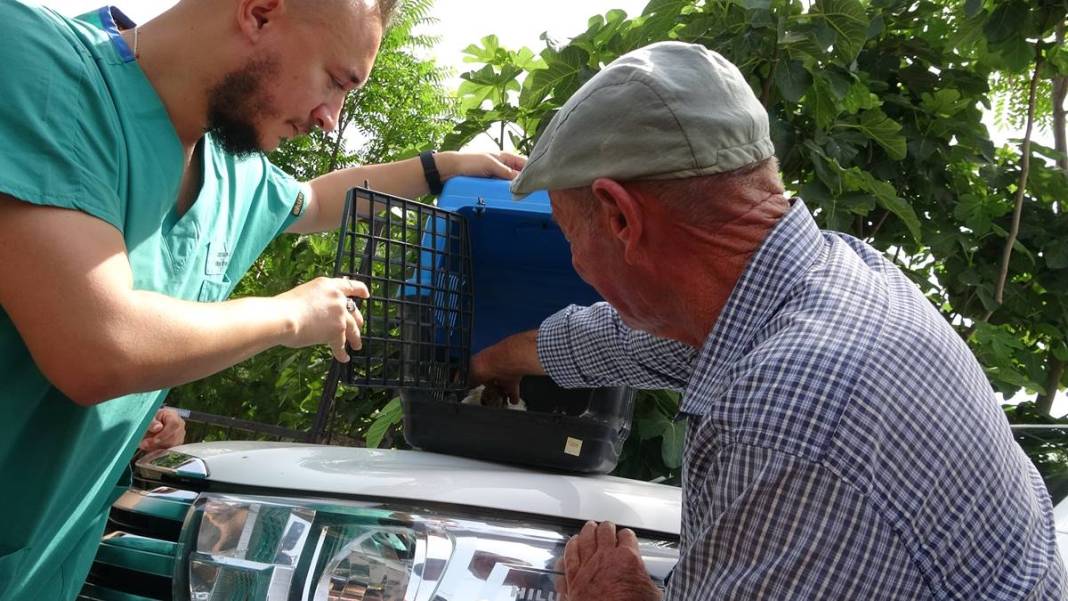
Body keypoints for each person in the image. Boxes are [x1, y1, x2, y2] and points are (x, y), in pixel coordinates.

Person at [471, 41, 1065, 600]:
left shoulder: (785, 414)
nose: (576, 262)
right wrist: (493, 361)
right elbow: (626, 339)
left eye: (571, 235)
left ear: (622, 218)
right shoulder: (834, 274)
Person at [0, 0, 523, 598]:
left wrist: (445, 168)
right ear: (259, 12)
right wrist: (287, 313)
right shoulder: (34, 61)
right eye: (336, 80)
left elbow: (318, 202)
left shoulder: (229, 172)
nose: (332, 119)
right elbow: (96, 347)